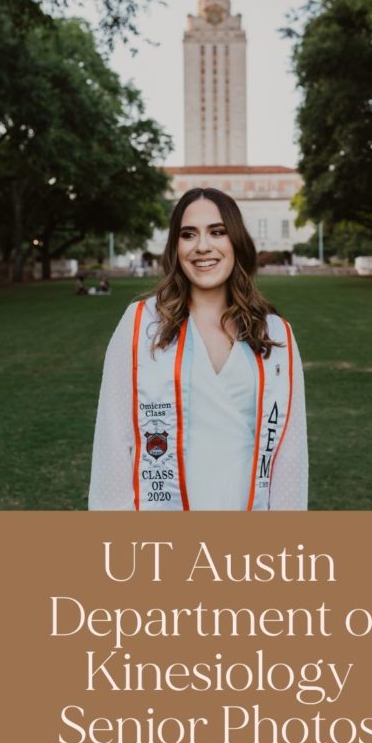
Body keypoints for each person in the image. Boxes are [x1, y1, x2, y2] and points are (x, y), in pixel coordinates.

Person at [88, 187, 308, 511]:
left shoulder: (275, 334)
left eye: (217, 232)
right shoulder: (140, 325)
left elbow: (290, 451)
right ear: (176, 248)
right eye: (188, 235)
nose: (202, 246)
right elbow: (113, 440)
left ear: (236, 240)